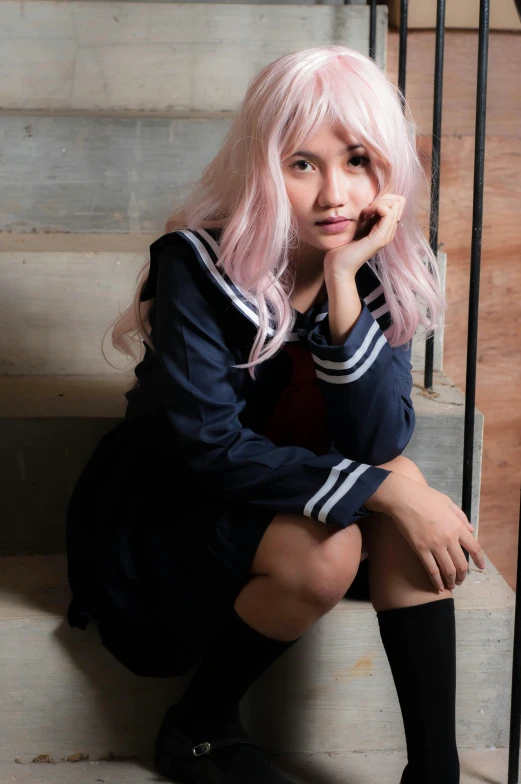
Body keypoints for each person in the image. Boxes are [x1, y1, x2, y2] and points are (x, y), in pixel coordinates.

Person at [66, 44, 485, 784]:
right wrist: (386, 491)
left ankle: (433, 772)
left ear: (386, 169)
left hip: (296, 493)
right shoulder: (194, 264)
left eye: (356, 160)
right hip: (178, 501)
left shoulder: (374, 265)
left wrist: (343, 283)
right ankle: (197, 728)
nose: (333, 193)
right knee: (357, 525)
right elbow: (208, 444)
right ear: (264, 167)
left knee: (398, 481)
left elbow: (377, 440)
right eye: (302, 164)